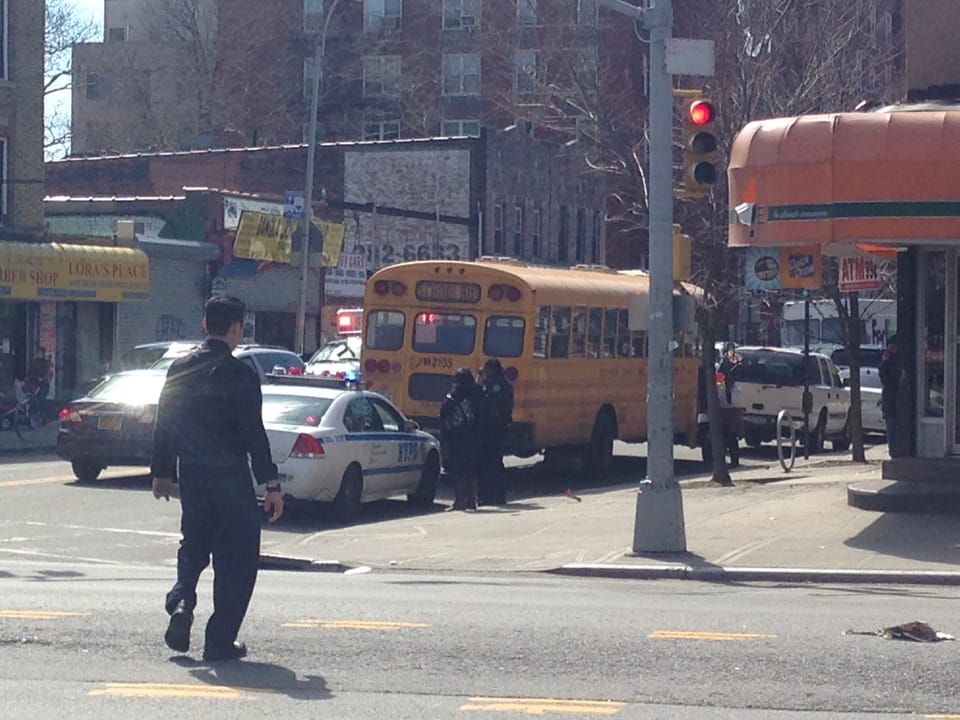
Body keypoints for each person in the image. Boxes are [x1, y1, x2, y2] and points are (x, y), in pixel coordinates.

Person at [151, 295, 284, 662]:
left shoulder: (179, 368)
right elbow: (254, 435)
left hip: (193, 475)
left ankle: (181, 602)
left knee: (193, 545)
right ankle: (219, 640)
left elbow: (166, 422)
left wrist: (162, 471)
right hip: (231, 478)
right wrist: (271, 484)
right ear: (237, 329)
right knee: (237, 559)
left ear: (205, 325)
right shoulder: (242, 375)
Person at [440, 368, 483, 511]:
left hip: (457, 436)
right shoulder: (478, 393)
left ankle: (459, 501)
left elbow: (445, 414)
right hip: (475, 435)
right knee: (472, 468)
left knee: (458, 469)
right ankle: (472, 500)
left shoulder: (455, 395)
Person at [477, 358, 514, 506]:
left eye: (485, 370)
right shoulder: (499, 383)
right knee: (494, 462)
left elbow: (488, 405)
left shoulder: (496, 385)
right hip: (498, 428)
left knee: (490, 463)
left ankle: (490, 495)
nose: (484, 373)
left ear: (492, 370)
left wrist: (479, 385)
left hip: (493, 428)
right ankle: (496, 495)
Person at [878, 334, 900, 458]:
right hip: (890, 402)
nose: (892, 349)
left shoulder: (900, 361)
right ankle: (893, 452)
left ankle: (897, 451)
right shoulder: (887, 363)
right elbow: (884, 378)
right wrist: (885, 362)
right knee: (891, 429)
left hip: (898, 401)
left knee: (896, 428)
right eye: (890, 347)